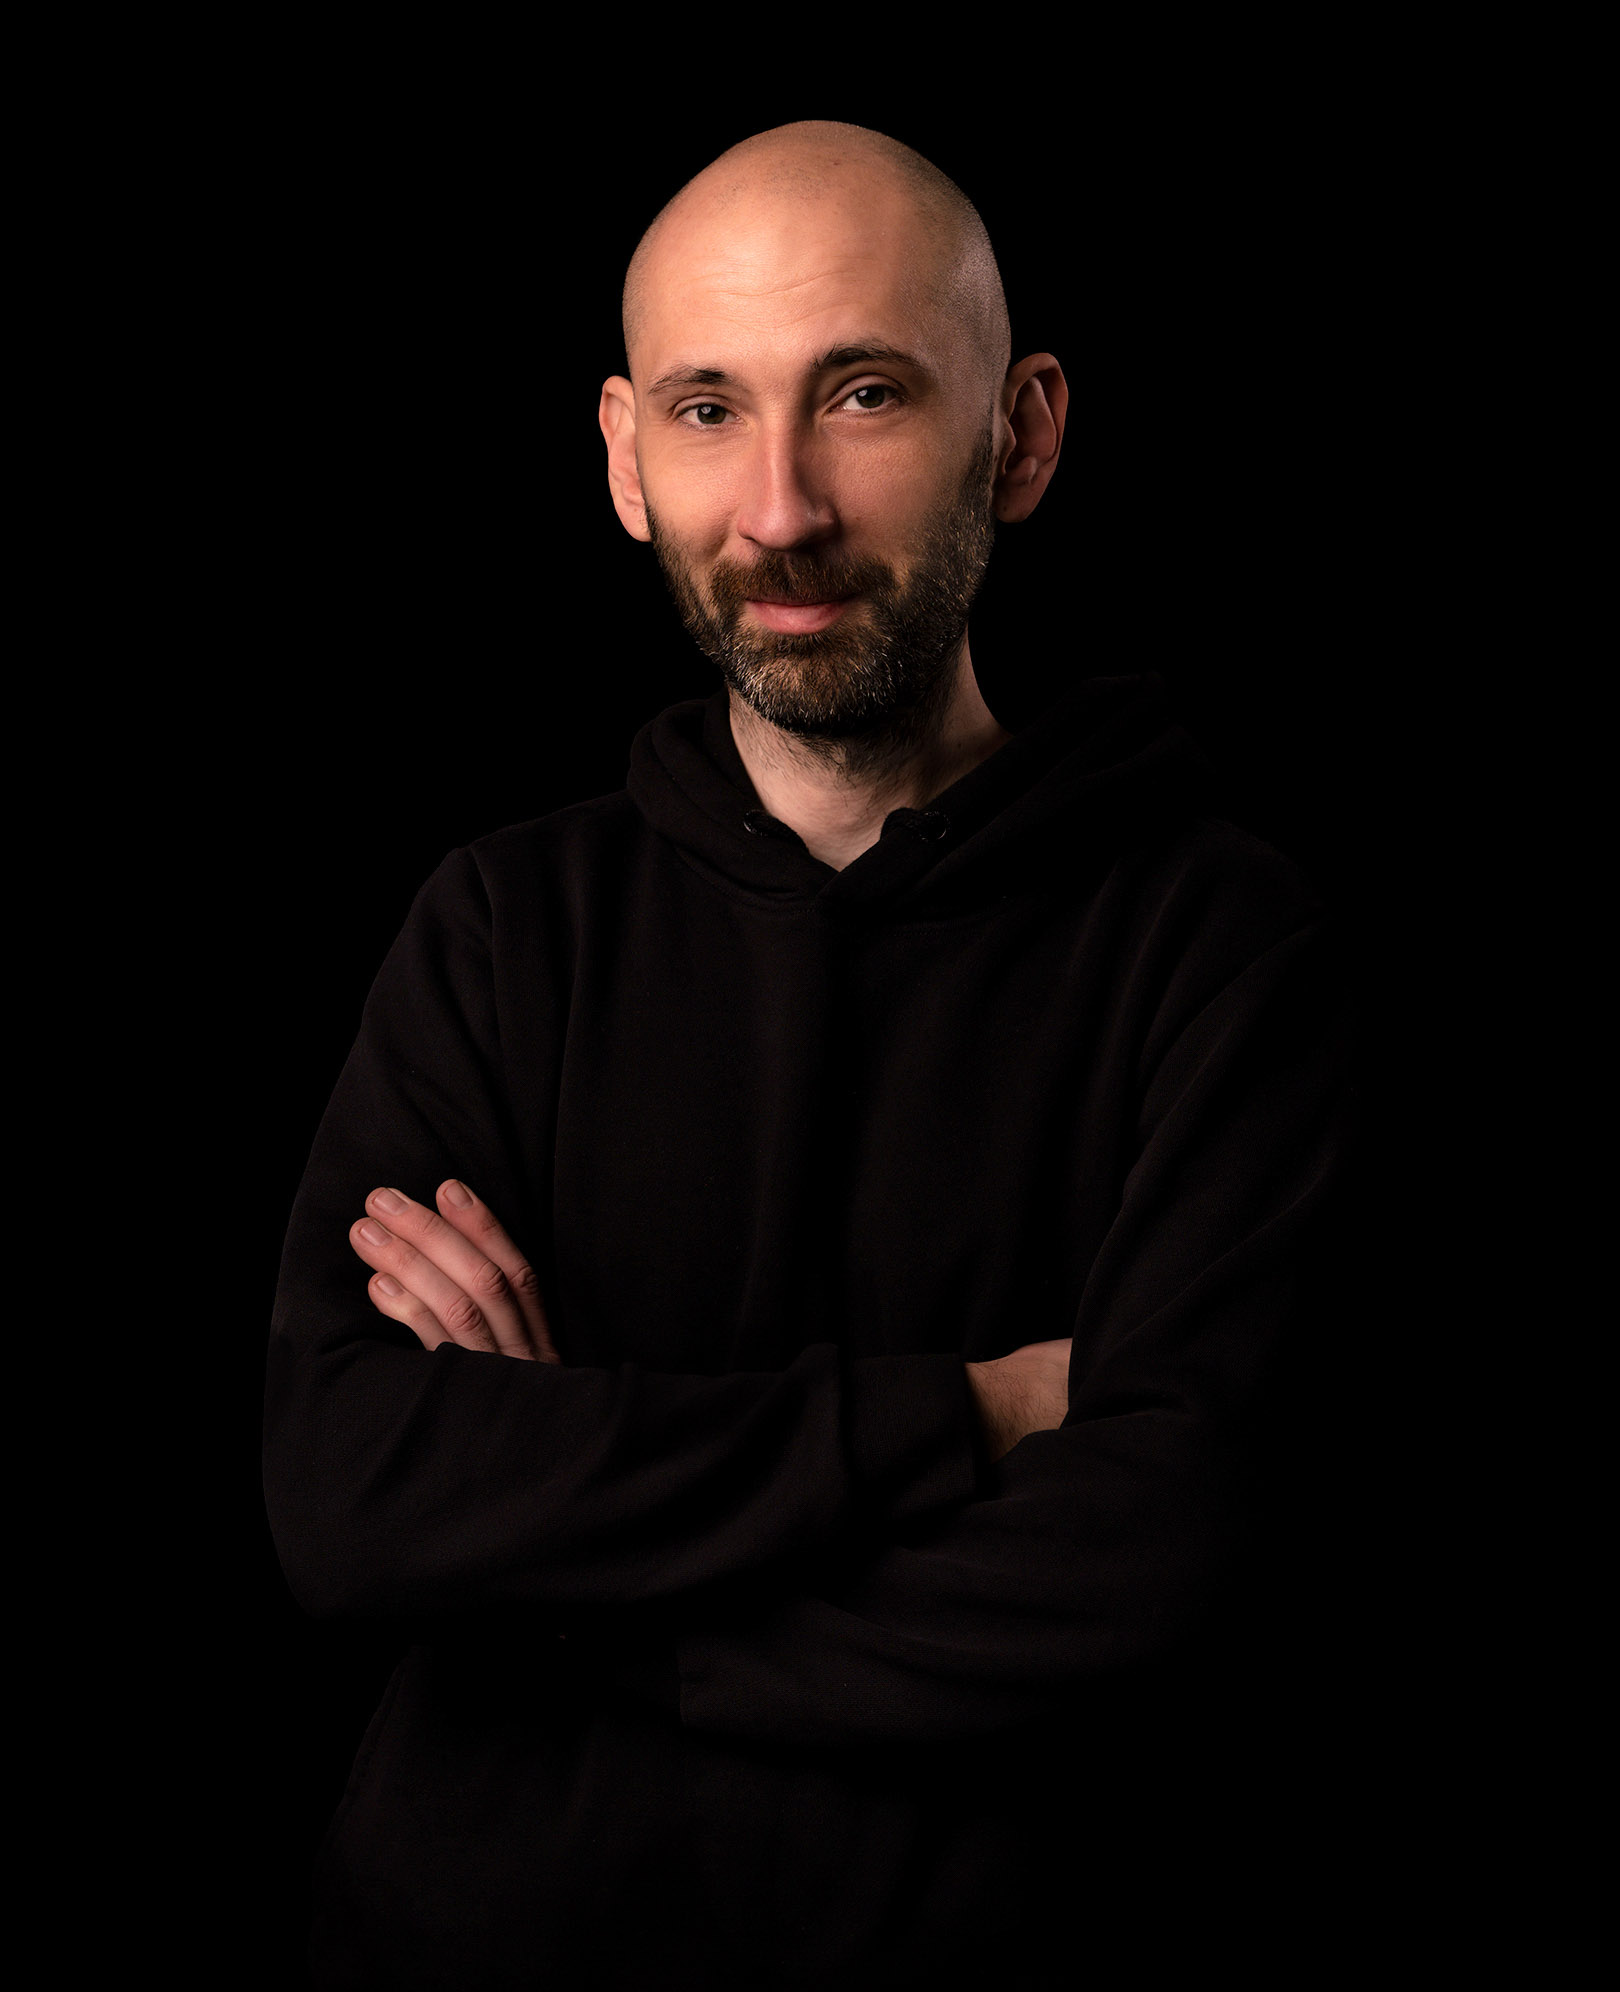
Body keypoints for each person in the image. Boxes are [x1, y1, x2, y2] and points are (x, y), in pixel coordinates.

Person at [266, 120, 1350, 1988]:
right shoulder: (505, 930)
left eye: (861, 395)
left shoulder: (1221, 948)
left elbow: (1172, 1565)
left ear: (1021, 432)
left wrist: (558, 1568)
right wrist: (970, 1420)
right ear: (625, 459)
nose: (778, 509)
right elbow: (353, 1497)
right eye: (709, 409)